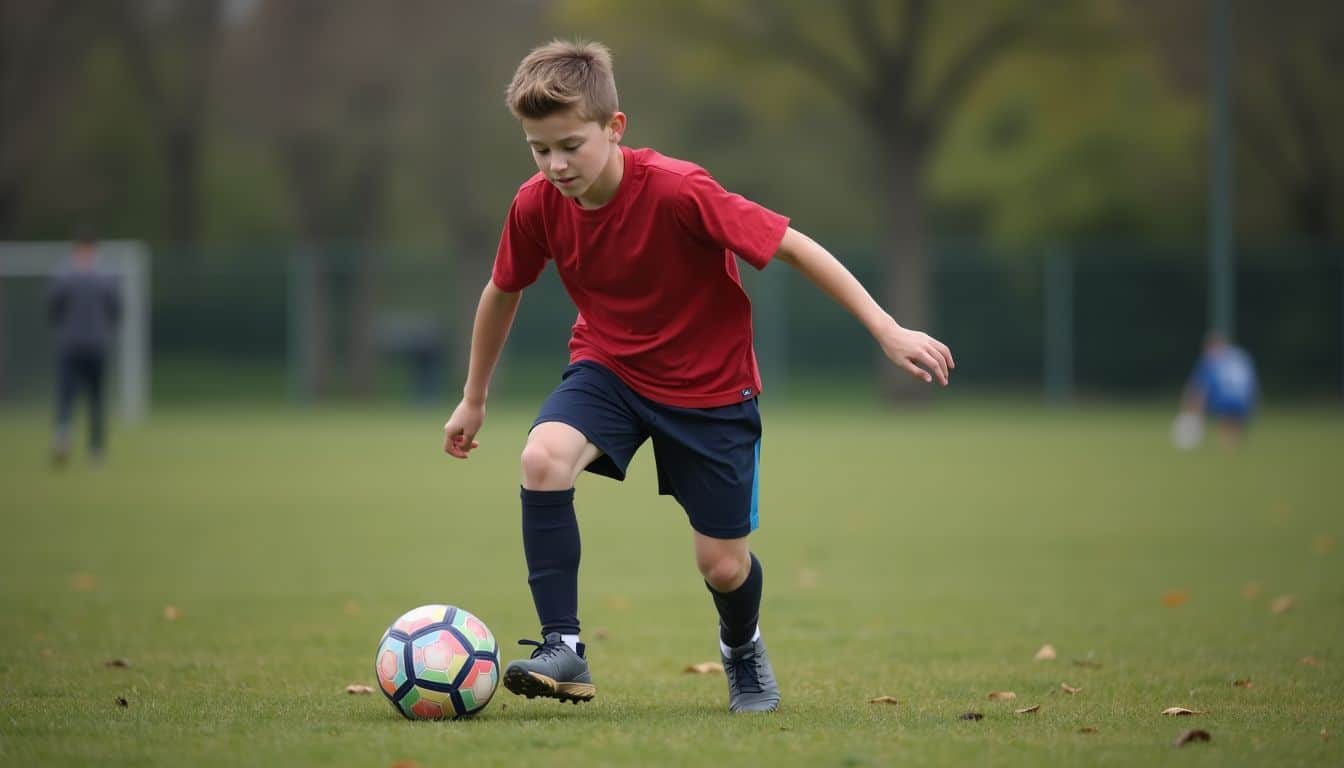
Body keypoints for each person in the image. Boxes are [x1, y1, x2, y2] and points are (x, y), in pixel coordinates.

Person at [440, 40, 954, 713]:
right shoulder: (536, 205)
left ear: (614, 128)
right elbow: (502, 290)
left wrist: (887, 328)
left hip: (711, 391)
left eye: (570, 145)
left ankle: (742, 648)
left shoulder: (680, 191)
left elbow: (792, 247)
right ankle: (563, 648)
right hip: (609, 368)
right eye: (539, 149)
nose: (555, 165)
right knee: (542, 457)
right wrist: (473, 398)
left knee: (723, 566)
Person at [47, 236, 120, 465]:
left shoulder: (71, 278)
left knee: (94, 398)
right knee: (69, 395)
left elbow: (53, 309)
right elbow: (116, 311)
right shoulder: (97, 278)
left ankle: (93, 447)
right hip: (78, 345)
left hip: (89, 346)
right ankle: (66, 436)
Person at [1177, 330, 1258, 449]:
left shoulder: (1213, 358)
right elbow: (1251, 380)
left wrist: (1192, 406)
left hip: (1226, 397)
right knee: (1234, 424)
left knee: (1224, 421)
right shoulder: (1241, 355)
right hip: (1244, 398)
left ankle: (1226, 447)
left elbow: (1199, 386)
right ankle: (1233, 446)